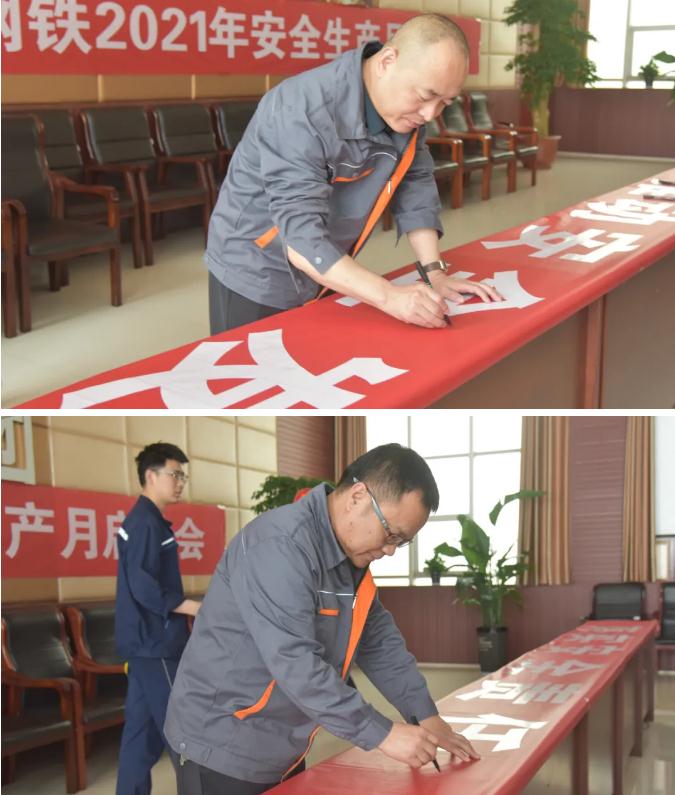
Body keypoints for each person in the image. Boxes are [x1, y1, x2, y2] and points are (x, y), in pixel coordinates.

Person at [164, 443, 480, 794]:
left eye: (401, 542)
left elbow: (378, 641)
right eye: (391, 534)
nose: (390, 550)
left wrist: (425, 715)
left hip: (283, 741)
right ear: (358, 497)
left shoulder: (351, 557)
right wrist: (383, 734)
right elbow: (295, 664)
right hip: (222, 743)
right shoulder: (280, 546)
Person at [207, 13, 503, 334]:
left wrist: (435, 273)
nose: (430, 113)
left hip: (328, 263)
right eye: (425, 96)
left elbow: (415, 184)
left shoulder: (406, 113)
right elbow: (301, 238)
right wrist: (389, 296)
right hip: (255, 267)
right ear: (387, 61)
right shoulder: (300, 109)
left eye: (445, 102)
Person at [115, 442, 202, 795]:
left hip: (145, 645)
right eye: (174, 474)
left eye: (183, 476)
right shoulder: (145, 524)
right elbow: (142, 586)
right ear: (151, 475)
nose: (180, 482)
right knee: (181, 730)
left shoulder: (148, 521)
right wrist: (189, 606)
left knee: (139, 738)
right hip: (155, 644)